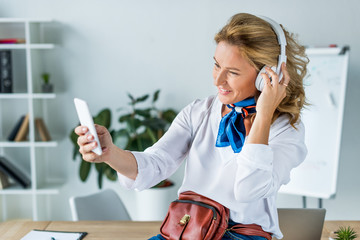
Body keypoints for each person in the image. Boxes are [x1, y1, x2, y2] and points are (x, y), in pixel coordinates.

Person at [75, 13, 308, 240]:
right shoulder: (200, 112)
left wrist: (264, 113)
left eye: (233, 72)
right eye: (217, 65)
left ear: (268, 76)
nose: (218, 80)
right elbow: (155, 163)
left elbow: (248, 190)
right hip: (188, 229)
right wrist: (109, 153)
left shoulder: (285, 130)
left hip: (241, 236)